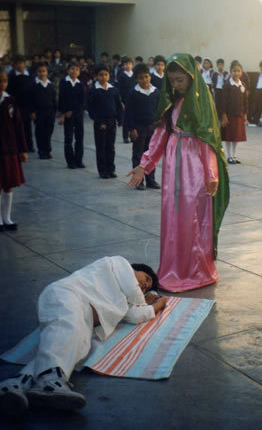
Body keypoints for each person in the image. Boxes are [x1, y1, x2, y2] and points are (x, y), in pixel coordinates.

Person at [0, 256, 167, 415]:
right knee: (65, 328)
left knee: (72, 348)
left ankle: (17, 383)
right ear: (134, 268)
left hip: (85, 318)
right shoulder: (119, 263)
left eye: (147, 285)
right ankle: (49, 381)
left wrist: (158, 305)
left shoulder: (127, 300)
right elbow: (132, 288)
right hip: (69, 296)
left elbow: (135, 316)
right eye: (146, 278)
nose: (145, 284)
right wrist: (145, 299)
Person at [127, 53, 229, 292]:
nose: (175, 85)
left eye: (180, 80)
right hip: (173, 166)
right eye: (171, 80)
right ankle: (174, 268)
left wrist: (211, 175)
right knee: (173, 216)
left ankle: (196, 270)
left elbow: (208, 142)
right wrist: (146, 163)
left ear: (192, 78)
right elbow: (161, 135)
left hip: (195, 167)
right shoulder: (171, 103)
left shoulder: (201, 103)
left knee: (193, 218)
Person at [0, 70, 28, 232]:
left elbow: (19, 126)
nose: (1, 84)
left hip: (9, 148)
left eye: (4, 81)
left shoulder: (10, 100)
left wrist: (22, 149)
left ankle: (7, 217)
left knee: (8, 184)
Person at [126, 63, 160, 191]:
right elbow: (128, 112)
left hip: (152, 128)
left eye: (146, 77)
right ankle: (138, 181)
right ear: (136, 79)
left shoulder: (156, 92)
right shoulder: (133, 93)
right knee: (138, 155)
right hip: (139, 128)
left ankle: (150, 180)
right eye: (141, 78)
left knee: (151, 154)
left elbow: (158, 110)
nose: (144, 80)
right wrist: (132, 128)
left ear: (150, 77)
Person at [88, 65, 122, 179]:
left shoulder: (113, 89)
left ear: (109, 75)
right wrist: (98, 122)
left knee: (110, 147)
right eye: (101, 75)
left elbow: (118, 105)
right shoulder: (94, 90)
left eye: (106, 75)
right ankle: (102, 170)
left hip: (112, 121)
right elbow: (91, 108)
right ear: (96, 76)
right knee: (101, 146)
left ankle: (110, 169)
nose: (103, 77)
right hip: (100, 122)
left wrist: (120, 119)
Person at [58, 62, 86, 169]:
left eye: (77, 69)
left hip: (78, 114)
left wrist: (74, 111)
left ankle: (79, 160)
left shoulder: (80, 84)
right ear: (68, 70)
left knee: (79, 138)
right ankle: (70, 162)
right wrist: (65, 112)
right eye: (72, 69)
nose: (74, 71)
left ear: (79, 72)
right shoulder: (64, 82)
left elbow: (82, 101)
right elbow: (62, 99)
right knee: (68, 139)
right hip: (68, 115)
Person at [221, 62, 248, 165]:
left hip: (239, 115)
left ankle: (234, 155)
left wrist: (245, 113)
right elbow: (223, 101)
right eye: (234, 71)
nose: (236, 73)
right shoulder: (227, 84)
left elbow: (245, 101)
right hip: (229, 115)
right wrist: (223, 115)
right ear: (230, 71)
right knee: (229, 136)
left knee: (236, 137)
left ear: (241, 72)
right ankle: (229, 156)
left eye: (238, 71)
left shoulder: (243, 85)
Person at [8, 55, 35, 152]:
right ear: (14, 65)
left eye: (21, 63)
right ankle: (19, 146)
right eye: (17, 64)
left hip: (28, 105)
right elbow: (9, 92)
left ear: (25, 63)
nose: (19, 65)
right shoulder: (12, 77)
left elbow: (33, 91)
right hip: (17, 105)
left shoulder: (30, 76)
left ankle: (29, 145)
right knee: (17, 126)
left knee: (28, 126)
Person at [31, 63, 57, 160]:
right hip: (39, 112)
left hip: (50, 112)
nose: (42, 73)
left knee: (49, 131)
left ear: (47, 72)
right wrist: (32, 112)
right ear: (37, 72)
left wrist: (55, 110)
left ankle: (47, 150)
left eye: (44, 71)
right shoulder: (34, 85)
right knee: (40, 131)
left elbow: (54, 98)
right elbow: (31, 100)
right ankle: (41, 150)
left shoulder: (50, 85)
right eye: (40, 71)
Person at [118, 56, 135, 143]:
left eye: (129, 64)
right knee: (126, 119)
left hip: (135, 100)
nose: (128, 66)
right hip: (125, 100)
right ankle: (125, 137)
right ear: (123, 66)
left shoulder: (135, 75)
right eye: (125, 64)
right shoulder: (121, 76)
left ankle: (132, 136)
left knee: (134, 119)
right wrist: (121, 102)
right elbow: (119, 90)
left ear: (132, 65)